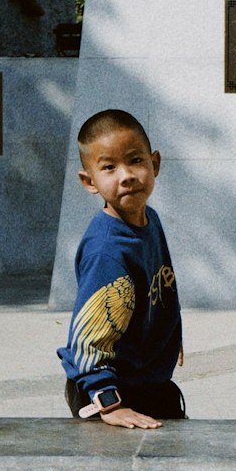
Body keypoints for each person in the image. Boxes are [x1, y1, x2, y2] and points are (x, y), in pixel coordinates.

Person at [58, 109, 185, 430]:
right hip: (109, 390)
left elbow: (160, 284)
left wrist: (166, 333)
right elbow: (88, 338)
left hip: (144, 378)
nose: (126, 175)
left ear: (154, 164)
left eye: (136, 161)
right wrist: (109, 404)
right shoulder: (107, 251)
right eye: (109, 167)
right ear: (89, 181)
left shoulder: (149, 219)